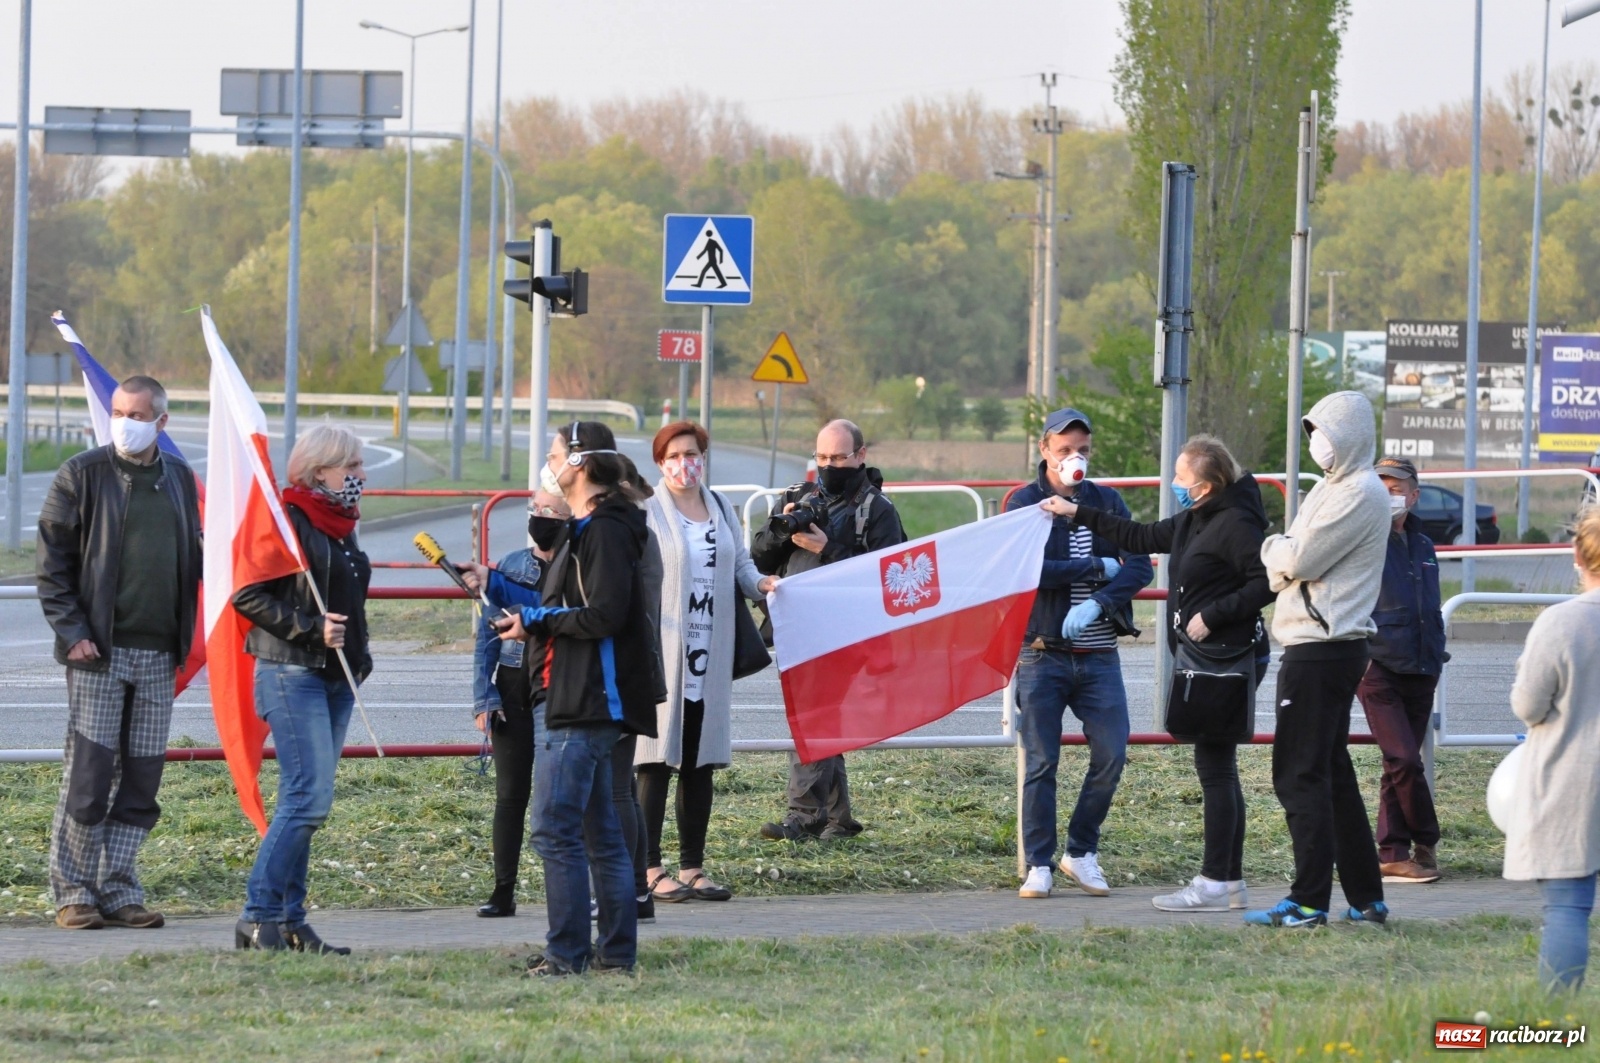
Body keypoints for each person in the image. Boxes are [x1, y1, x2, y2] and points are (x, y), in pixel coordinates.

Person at [1044, 434, 1272, 911]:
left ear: (1206, 487)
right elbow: (1143, 536)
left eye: (1182, 479)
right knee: (1219, 767)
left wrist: (1214, 614)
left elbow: (1264, 582)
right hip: (1207, 660)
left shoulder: (1234, 523)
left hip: (1224, 659)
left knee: (1216, 769)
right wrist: (1075, 512)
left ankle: (1216, 880)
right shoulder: (1198, 517)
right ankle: (1227, 881)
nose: (1174, 485)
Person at [485, 421, 661, 976]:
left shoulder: (605, 529)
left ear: (580, 464)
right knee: (598, 831)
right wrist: (522, 609)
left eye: (556, 453)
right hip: (577, 694)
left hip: (585, 699)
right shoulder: (590, 527)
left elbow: (604, 614)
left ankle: (567, 954)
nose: (549, 461)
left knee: (554, 828)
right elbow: (571, 603)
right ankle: (615, 954)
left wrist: (534, 619)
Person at [36, 376, 202, 931]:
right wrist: (72, 630)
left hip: (160, 655)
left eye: (136, 413)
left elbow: (196, 559)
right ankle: (73, 891)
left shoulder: (178, 478)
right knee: (90, 775)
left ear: (162, 421)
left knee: (140, 779)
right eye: (118, 411)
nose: (124, 421)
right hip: (98, 654)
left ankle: (118, 885)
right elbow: (53, 566)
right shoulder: (81, 475)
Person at [1247, 391, 1390, 929]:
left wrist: (1273, 555)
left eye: (1323, 432)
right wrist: (1284, 558)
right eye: (1310, 432)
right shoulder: (1332, 489)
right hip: (1324, 645)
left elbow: (1297, 555)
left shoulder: (1357, 492)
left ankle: (1308, 901)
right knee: (1331, 773)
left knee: (1298, 773)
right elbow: (1294, 555)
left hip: (1321, 647)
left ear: (1349, 435)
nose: (1316, 443)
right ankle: (1366, 899)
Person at [231, 424, 372, 954]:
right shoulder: (286, 519)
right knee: (308, 799)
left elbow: (349, 596)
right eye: (352, 466)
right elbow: (247, 593)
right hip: (291, 671)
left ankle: (289, 918)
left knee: (306, 799)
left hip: (335, 676)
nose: (361, 475)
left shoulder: (340, 524)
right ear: (321, 472)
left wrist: (359, 653)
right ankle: (260, 914)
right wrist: (311, 628)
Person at [1006, 407, 1153, 900]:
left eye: (1084, 451)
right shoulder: (1024, 503)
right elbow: (1027, 571)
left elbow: (1139, 566)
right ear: (1045, 450)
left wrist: (1101, 601)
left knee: (1112, 753)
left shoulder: (1106, 501)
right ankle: (1039, 864)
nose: (1076, 459)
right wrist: (1093, 566)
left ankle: (1081, 851)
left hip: (1098, 655)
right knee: (1042, 761)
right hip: (1041, 652)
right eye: (1066, 450)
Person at [638, 421, 778, 902]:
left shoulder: (718, 505)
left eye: (693, 454)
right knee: (655, 762)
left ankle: (693, 866)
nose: (685, 464)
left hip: (710, 654)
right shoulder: (648, 511)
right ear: (660, 463)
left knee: (700, 763)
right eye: (674, 456)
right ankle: (649, 868)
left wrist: (761, 584)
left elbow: (739, 563)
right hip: (664, 655)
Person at [750, 419, 906, 841]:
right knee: (821, 716)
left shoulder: (878, 511)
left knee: (815, 715)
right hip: (797, 626)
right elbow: (758, 558)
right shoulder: (796, 498)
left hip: (847, 631)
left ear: (860, 455)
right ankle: (839, 818)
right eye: (822, 457)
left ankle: (803, 816)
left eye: (839, 457)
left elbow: (888, 579)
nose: (830, 465)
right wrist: (782, 531)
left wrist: (828, 548)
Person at [1505, 507, 1600, 992]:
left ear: (1578, 557)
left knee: (1567, 906)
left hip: (1574, 779)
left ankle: (1555, 1020)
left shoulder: (1562, 622)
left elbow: (1528, 704)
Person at [470, 489, 571, 918]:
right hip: (513, 686)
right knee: (511, 795)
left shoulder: (581, 564)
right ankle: (502, 891)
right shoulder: (512, 565)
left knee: (566, 797)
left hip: (565, 686)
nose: (539, 517)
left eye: (550, 511)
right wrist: (483, 697)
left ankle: (565, 893)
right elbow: (487, 636)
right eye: (535, 509)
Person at [1357, 457, 1447, 886]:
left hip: (1422, 666)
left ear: (1414, 494)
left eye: (1396, 487)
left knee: (1399, 766)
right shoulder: (1362, 538)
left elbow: (1430, 606)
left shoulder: (1424, 544)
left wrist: (1437, 653)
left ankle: (1392, 853)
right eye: (1381, 486)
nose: (1389, 494)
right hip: (1378, 667)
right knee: (1404, 759)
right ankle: (1426, 840)